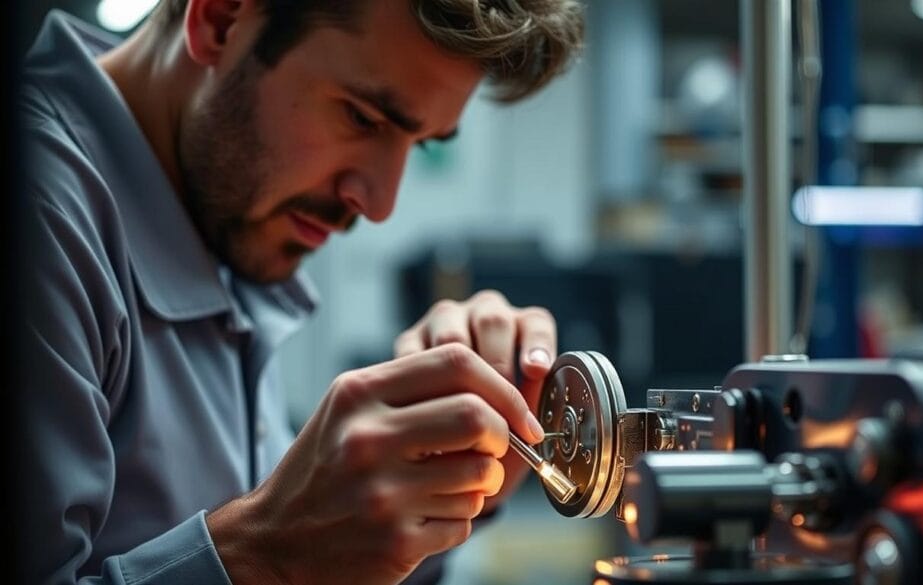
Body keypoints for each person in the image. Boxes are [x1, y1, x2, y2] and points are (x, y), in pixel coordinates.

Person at [17, 0, 584, 583]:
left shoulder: (219, 209)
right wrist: (267, 551)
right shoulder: (41, 213)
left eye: (422, 143)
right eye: (363, 118)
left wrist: (427, 489)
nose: (379, 202)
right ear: (220, 21)